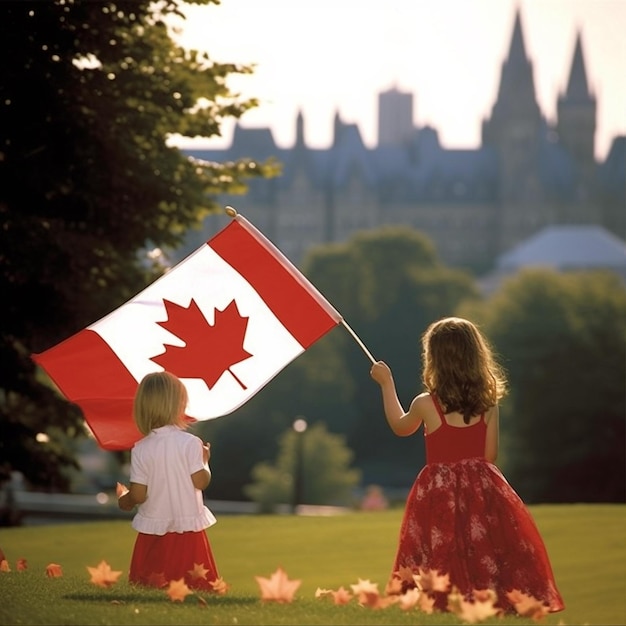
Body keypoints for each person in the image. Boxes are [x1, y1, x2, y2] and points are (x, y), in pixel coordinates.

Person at [369, 316, 564, 614]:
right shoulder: (488, 402)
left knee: (439, 552)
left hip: (438, 494)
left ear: (434, 359)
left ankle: (442, 606)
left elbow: (400, 426)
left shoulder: (426, 403)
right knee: (485, 550)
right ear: (476, 355)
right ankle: (485, 604)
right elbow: (490, 455)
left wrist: (387, 384)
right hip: (484, 489)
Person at [117, 370, 219, 591]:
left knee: (150, 586)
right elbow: (201, 482)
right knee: (195, 586)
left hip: (153, 530)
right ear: (178, 406)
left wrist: (125, 500)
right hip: (188, 531)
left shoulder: (141, 449)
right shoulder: (191, 443)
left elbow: (139, 494)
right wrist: (205, 461)